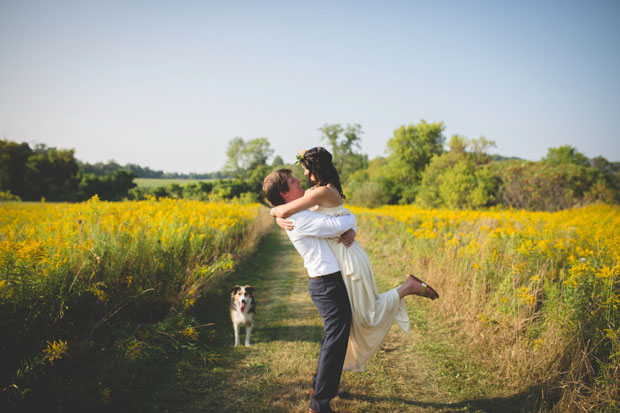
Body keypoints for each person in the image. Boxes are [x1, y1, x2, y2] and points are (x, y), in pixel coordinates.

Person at [270, 147, 438, 374]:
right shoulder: (323, 189)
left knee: (366, 316)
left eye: (306, 169)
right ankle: (326, 381)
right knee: (353, 320)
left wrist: (276, 216)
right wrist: (280, 216)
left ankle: (407, 287)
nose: (304, 176)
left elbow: (284, 208)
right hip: (343, 255)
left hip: (347, 257)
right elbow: (335, 213)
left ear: (316, 169)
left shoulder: (317, 193)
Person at [263, 168, 358, 413]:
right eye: (293, 181)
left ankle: (320, 388)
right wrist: (351, 221)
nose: (299, 180)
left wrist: (276, 211)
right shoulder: (301, 218)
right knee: (335, 340)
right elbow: (339, 222)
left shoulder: (299, 212)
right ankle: (318, 404)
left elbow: (341, 220)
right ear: (285, 193)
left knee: (333, 339)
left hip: (328, 282)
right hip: (327, 284)